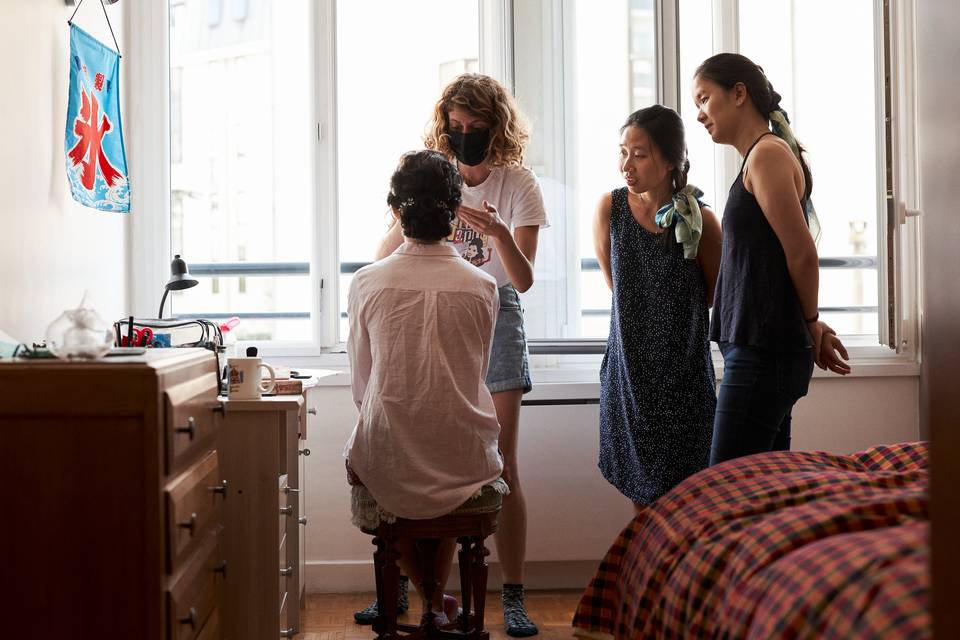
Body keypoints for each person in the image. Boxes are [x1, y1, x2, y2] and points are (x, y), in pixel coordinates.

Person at [364, 73, 547, 638]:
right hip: (436, 315)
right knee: (420, 449)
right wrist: (405, 218)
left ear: (497, 127)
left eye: (477, 128)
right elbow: (380, 259)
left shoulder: (518, 184)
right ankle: (406, 590)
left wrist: (498, 233)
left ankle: (512, 593)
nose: (465, 136)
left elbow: (523, 279)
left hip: (496, 317)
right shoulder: (434, 177)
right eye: (456, 127)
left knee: (504, 462)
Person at [344, 149, 506, 627]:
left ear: (397, 211)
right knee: (450, 465)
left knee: (389, 459)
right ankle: (436, 602)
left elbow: (362, 384)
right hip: (464, 456)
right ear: (455, 211)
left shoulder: (366, 282)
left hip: (390, 453)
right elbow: (473, 371)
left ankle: (431, 600)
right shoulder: (483, 286)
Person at [690, 53, 851, 466]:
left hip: (763, 353)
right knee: (761, 491)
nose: (700, 115)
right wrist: (808, 319)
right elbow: (773, 264)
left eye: (705, 99)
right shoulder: (758, 158)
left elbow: (801, 252)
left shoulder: (767, 156)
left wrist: (812, 321)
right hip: (760, 349)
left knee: (724, 486)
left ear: (739, 93)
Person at [594, 105, 722, 512]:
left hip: (684, 378)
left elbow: (711, 294)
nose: (626, 165)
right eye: (623, 152)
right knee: (641, 501)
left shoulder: (702, 221)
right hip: (630, 375)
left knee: (691, 501)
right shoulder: (609, 210)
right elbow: (617, 286)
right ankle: (648, 575)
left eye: (640, 154)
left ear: (671, 161)